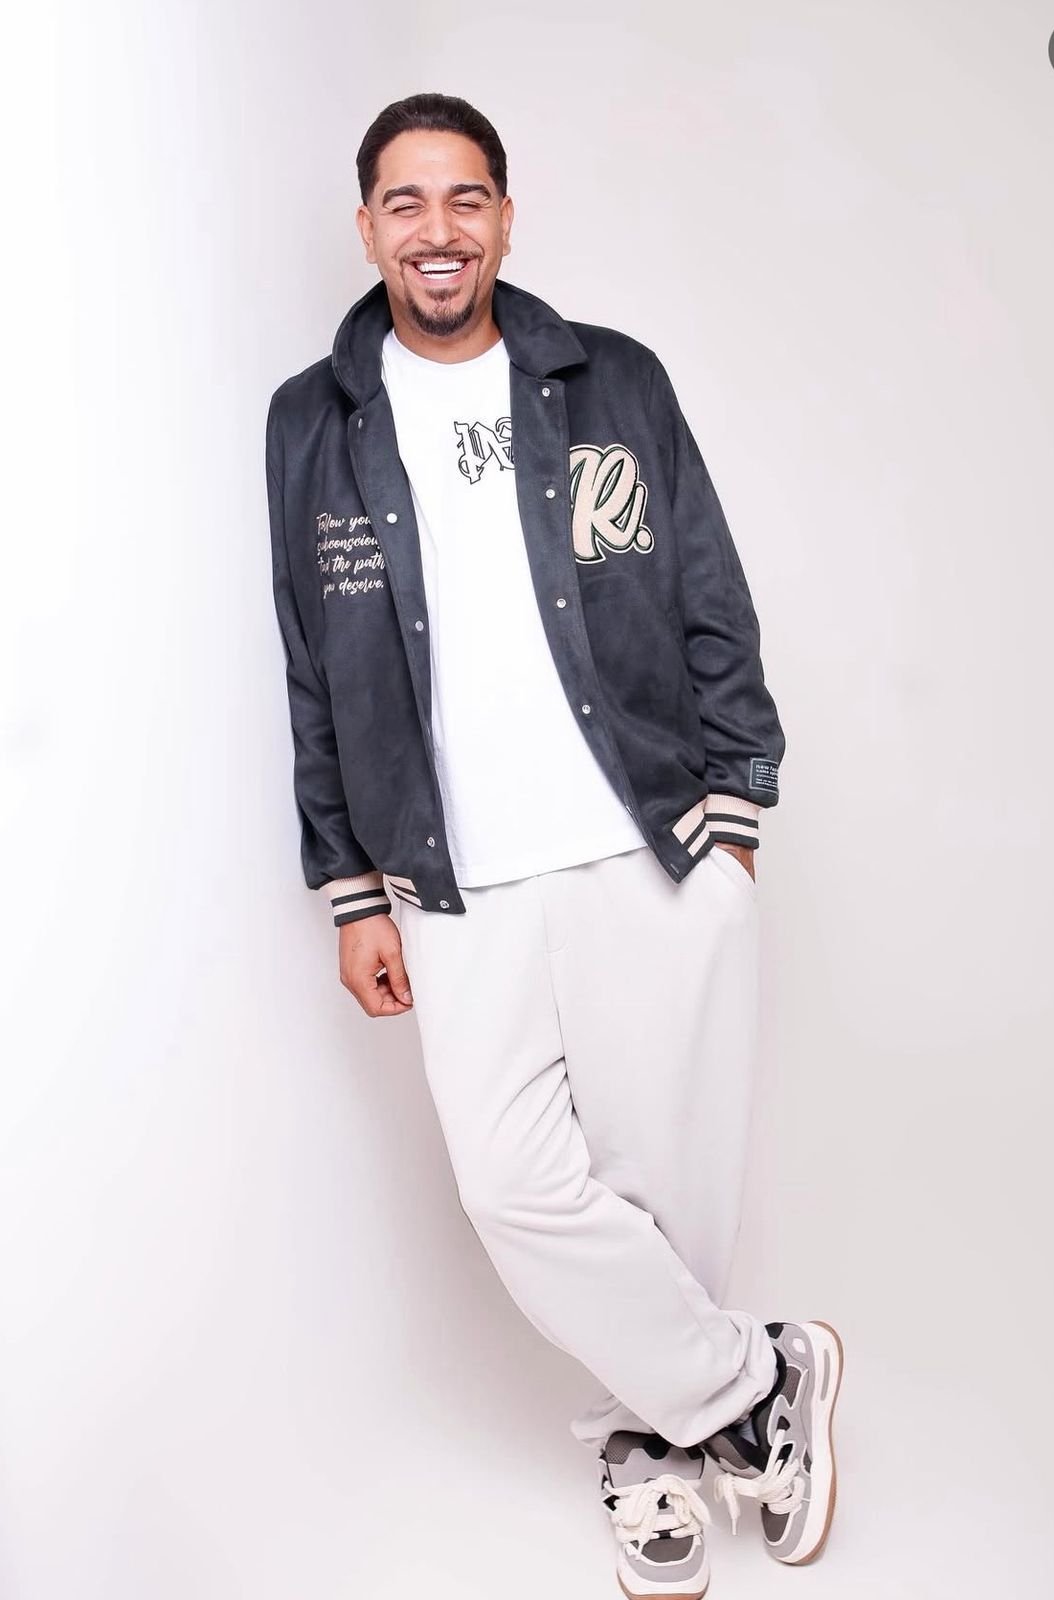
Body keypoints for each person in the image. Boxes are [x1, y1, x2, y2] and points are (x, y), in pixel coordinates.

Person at [265, 91, 843, 1599]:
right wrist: (351, 888)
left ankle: (651, 1450)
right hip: (448, 871)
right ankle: (754, 1387)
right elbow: (313, 665)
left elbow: (707, 587)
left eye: (465, 199)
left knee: (666, 1181)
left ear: (506, 220)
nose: (437, 230)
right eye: (405, 202)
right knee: (514, 1187)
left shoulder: (609, 379)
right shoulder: (312, 422)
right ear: (367, 227)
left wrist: (737, 808)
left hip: (648, 839)